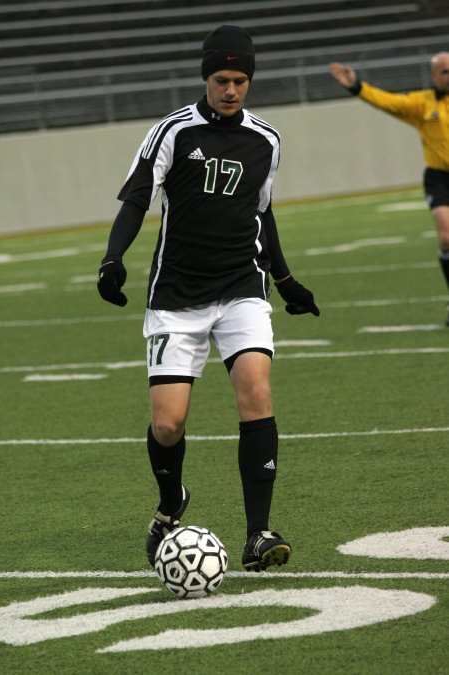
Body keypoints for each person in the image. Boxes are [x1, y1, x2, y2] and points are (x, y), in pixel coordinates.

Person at [97, 25, 320, 572]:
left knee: (256, 391)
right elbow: (135, 200)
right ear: (206, 77)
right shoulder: (173, 132)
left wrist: (286, 281)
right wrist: (112, 259)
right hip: (176, 294)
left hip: (242, 287)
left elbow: (261, 213)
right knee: (168, 424)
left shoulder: (266, 140)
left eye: (240, 80)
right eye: (222, 79)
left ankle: (258, 534)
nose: (231, 89)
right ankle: (171, 500)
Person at [329, 54, 449, 326]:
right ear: (433, 76)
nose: (448, 75)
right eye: (444, 71)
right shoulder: (423, 103)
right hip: (439, 177)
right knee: (446, 238)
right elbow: (389, 102)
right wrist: (356, 86)